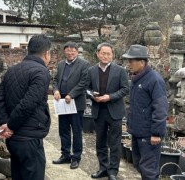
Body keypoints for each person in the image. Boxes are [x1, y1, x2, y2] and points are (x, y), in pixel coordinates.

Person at [0, 34, 51, 180]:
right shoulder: (41, 71)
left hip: (13, 139)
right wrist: (10, 125)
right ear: (46, 53)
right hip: (29, 138)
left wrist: (4, 123)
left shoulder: (12, 70)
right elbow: (28, 104)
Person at [122, 44, 168, 180]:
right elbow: (135, 106)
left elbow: (160, 108)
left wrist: (156, 133)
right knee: (139, 164)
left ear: (142, 62)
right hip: (137, 132)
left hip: (149, 136)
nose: (128, 64)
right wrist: (129, 124)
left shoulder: (154, 80)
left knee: (149, 170)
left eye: (131, 61)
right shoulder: (136, 79)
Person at [88, 43, 129, 180]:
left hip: (115, 111)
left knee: (115, 142)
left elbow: (125, 89)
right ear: (97, 54)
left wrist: (110, 97)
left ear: (113, 55)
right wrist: (92, 95)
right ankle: (103, 168)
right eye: (103, 53)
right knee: (100, 141)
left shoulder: (120, 70)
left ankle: (112, 171)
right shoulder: (91, 70)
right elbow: (86, 88)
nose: (105, 56)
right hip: (98, 110)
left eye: (108, 54)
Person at [52, 41, 90, 169]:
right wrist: (56, 90)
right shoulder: (61, 64)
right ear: (64, 51)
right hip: (62, 102)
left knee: (77, 131)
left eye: (73, 50)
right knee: (63, 130)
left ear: (77, 51)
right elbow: (55, 80)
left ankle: (76, 157)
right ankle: (65, 155)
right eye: (67, 50)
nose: (70, 52)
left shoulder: (84, 64)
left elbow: (84, 82)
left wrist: (71, 94)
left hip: (75, 103)